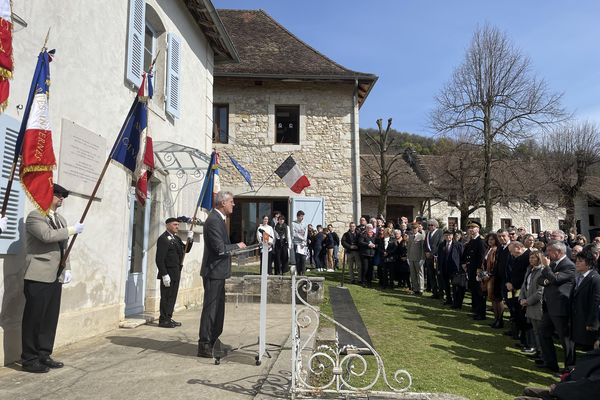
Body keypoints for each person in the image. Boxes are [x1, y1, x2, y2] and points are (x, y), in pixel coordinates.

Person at [21, 184, 85, 373]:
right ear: (46, 195)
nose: (61, 198)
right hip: (38, 274)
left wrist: (67, 268)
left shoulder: (60, 219)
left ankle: (44, 354)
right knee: (34, 318)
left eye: (63, 196)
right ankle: (29, 358)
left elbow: (64, 248)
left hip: (55, 275)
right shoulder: (35, 216)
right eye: (57, 194)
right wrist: (72, 230)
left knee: (49, 318)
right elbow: (46, 235)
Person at [198, 191, 246, 358]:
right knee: (211, 309)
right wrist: (237, 246)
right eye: (231, 202)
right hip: (213, 272)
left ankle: (214, 339)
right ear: (222, 203)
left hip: (219, 272)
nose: (233, 204)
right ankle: (204, 344)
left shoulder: (219, 219)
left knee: (218, 309)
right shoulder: (213, 220)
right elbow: (219, 248)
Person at [536, 240, 576, 373]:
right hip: (549, 306)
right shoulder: (553, 264)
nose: (547, 254)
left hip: (560, 307)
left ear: (558, 252)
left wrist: (547, 270)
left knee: (566, 339)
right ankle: (550, 362)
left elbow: (556, 280)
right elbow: (540, 280)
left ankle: (569, 367)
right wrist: (549, 276)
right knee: (543, 332)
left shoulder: (569, 266)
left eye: (550, 251)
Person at [155, 218, 194, 328]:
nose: (177, 226)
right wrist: (164, 274)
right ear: (168, 226)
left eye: (178, 224)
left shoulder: (176, 238)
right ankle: (163, 320)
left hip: (176, 272)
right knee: (166, 296)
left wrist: (190, 240)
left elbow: (185, 250)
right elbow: (159, 259)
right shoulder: (163, 239)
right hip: (168, 273)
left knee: (172, 296)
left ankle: (168, 317)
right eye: (175, 224)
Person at [568, 248, 600, 364]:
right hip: (576, 318)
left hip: (587, 321)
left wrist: (592, 323)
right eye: (576, 260)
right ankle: (571, 369)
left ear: (589, 263)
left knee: (590, 351)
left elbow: (596, 303)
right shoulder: (578, 277)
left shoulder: (595, 278)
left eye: (580, 261)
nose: (577, 262)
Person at [518, 249, 546, 359]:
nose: (531, 259)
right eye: (530, 257)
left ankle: (543, 353)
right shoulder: (529, 270)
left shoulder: (542, 271)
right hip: (528, 304)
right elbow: (524, 286)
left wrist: (527, 301)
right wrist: (521, 298)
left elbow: (541, 291)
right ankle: (539, 351)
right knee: (535, 330)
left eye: (533, 257)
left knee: (540, 331)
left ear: (539, 259)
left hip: (537, 305)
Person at [462, 222, 486, 320]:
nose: (471, 229)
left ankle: (481, 313)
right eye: (469, 228)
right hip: (471, 269)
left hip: (478, 271)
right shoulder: (472, 240)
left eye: (473, 227)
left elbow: (481, 258)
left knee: (480, 291)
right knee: (474, 291)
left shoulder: (480, 241)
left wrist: (479, 272)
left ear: (478, 229)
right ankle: (476, 310)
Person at [438, 229, 463, 307]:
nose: (448, 237)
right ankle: (448, 299)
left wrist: (461, 268)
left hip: (454, 268)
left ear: (452, 236)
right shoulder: (442, 245)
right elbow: (439, 257)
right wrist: (439, 268)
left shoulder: (458, 244)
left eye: (449, 235)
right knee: (446, 285)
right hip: (444, 268)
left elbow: (461, 256)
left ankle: (456, 302)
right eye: (446, 235)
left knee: (455, 286)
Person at [423, 219, 443, 299]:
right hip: (428, 258)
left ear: (435, 225)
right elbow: (425, 245)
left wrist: (431, 254)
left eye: (432, 225)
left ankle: (441, 293)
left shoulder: (440, 232)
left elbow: (439, 245)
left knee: (438, 276)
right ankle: (434, 292)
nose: (430, 226)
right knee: (431, 275)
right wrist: (426, 252)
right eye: (429, 225)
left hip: (436, 257)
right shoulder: (428, 234)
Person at [407, 222, 425, 295]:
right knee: (413, 274)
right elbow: (408, 248)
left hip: (418, 258)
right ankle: (415, 289)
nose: (414, 230)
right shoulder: (410, 237)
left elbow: (423, 248)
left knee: (420, 274)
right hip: (411, 258)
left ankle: (421, 289)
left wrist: (422, 258)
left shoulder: (421, 236)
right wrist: (408, 257)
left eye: (415, 228)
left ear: (418, 228)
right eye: (413, 228)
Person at [291, 211, 307, 275]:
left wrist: (304, 240)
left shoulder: (305, 224)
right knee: (297, 258)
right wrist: (301, 237)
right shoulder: (293, 223)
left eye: (303, 216)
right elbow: (294, 233)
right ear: (297, 216)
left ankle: (303, 272)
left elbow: (306, 233)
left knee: (303, 258)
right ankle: (298, 271)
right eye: (301, 216)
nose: (302, 218)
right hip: (296, 243)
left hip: (303, 244)